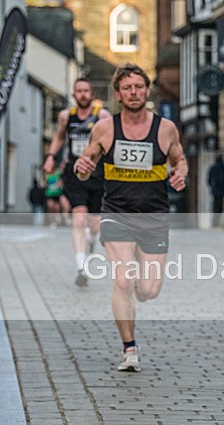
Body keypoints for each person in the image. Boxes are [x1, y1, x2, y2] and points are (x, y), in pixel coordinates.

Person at [74, 64, 187, 372]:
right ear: (118, 94)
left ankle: (139, 290)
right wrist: (82, 168)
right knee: (123, 281)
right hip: (117, 213)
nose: (134, 92)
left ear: (147, 90)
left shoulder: (165, 128)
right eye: (127, 88)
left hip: (154, 216)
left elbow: (179, 159)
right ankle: (129, 348)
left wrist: (180, 174)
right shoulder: (105, 129)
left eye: (139, 86)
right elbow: (86, 161)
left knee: (149, 290)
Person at [44, 78, 112, 287]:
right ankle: (81, 266)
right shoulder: (67, 116)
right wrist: (51, 156)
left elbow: (110, 142)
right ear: (74, 95)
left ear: (92, 94)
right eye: (79, 91)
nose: (82, 94)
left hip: (98, 174)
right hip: (75, 172)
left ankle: (91, 241)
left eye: (86, 91)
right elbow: (59, 138)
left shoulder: (102, 116)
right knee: (78, 219)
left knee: (95, 224)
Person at [207, 154, 224, 227]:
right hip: (220, 190)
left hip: (214, 190)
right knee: (219, 207)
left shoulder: (212, 168)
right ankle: (216, 223)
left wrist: (212, 186)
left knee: (215, 206)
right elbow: (222, 180)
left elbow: (208, 180)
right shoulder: (222, 167)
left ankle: (214, 222)